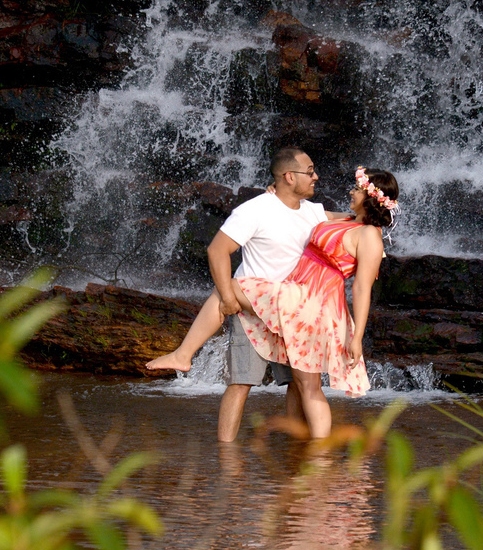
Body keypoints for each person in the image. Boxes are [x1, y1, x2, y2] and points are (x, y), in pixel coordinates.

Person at [148, 166, 399, 440]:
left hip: (313, 301)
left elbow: (363, 288)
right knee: (306, 385)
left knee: (230, 289)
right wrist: (278, 196)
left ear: (372, 197)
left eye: (358, 189)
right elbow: (312, 214)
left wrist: (357, 336)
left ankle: (184, 355)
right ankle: (315, 451)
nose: (351, 191)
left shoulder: (370, 236)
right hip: (299, 293)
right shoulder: (349, 221)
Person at [148, 147, 327, 442]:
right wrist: (229, 299)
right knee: (240, 382)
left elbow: (344, 220)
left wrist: (373, 212)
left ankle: (295, 447)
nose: (315, 177)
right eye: (309, 172)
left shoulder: (313, 211)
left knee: (297, 383)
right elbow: (217, 250)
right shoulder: (255, 210)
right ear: (288, 176)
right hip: (252, 309)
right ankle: (226, 451)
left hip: (292, 310)